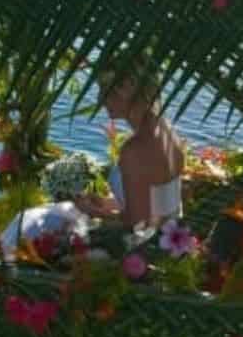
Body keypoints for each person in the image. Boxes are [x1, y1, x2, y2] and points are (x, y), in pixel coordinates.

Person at [73, 70, 187, 231]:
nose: (100, 99)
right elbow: (157, 203)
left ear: (132, 93)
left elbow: (138, 224)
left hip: (146, 248)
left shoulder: (135, 150)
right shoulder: (165, 129)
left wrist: (93, 212)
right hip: (171, 236)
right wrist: (105, 203)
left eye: (109, 91)